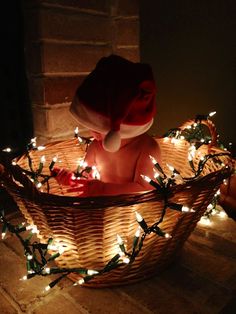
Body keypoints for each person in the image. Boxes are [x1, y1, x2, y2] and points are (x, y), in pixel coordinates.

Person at [53, 55, 161, 197]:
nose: (93, 134)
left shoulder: (147, 148)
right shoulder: (95, 147)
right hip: (103, 209)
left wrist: (103, 190)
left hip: (133, 213)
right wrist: (72, 179)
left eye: (99, 129)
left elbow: (146, 188)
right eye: (92, 127)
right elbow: (87, 179)